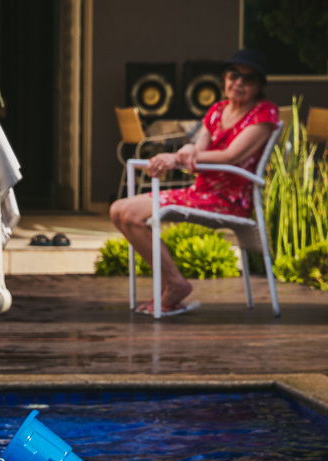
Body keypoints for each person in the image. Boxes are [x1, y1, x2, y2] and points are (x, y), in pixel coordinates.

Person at [109, 48, 279, 316]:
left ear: (259, 86)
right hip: (201, 192)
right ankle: (169, 284)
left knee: (130, 213)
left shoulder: (263, 113)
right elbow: (197, 148)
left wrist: (177, 158)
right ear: (224, 78)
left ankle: (174, 284)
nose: (238, 82)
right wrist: (186, 151)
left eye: (248, 78)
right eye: (233, 74)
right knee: (118, 210)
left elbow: (231, 156)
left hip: (228, 200)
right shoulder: (217, 110)